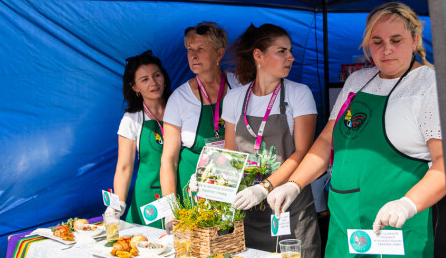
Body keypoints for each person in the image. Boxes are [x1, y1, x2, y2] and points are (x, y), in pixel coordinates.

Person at [267, 2, 446, 257]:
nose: (386, 50)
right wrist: (294, 184)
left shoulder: (431, 86)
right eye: (377, 41)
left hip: (394, 229)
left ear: (416, 39)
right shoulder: (357, 81)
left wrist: (408, 204)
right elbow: (327, 140)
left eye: (396, 40)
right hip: (345, 221)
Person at [221, 23, 321, 256]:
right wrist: (208, 182)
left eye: (290, 51)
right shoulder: (234, 98)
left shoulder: (299, 93)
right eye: (282, 51)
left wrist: (265, 187)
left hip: (290, 209)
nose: (291, 57)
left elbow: (302, 152)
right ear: (259, 55)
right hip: (248, 210)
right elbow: (229, 156)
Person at [160, 22, 239, 203]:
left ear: (219, 53)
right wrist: (171, 209)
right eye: (190, 49)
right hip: (193, 194)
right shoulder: (179, 99)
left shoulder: (239, 86)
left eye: (201, 48)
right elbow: (168, 160)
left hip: (233, 191)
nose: (193, 55)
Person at [107, 50, 172, 228]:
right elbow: (124, 167)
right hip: (148, 201)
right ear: (135, 87)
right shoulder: (132, 119)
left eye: (156, 75)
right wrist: (116, 205)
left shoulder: (180, 107)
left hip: (179, 193)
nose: (153, 83)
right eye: (144, 80)